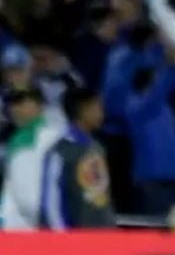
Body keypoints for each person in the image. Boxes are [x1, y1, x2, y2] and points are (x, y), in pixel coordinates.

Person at [40, 88, 115, 229]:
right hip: (75, 240)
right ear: (83, 111)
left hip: (103, 236)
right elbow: (51, 204)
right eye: (97, 107)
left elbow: (101, 196)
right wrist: (63, 240)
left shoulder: (97, 147)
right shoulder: (60, 153)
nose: (102, 113)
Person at [1, 88, 62, 229]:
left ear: (39, 105)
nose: (16, 109)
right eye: (13, 104)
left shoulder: (33, 138)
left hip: (28, 227)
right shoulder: (19, 137)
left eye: (22, 103)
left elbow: (28, 197)